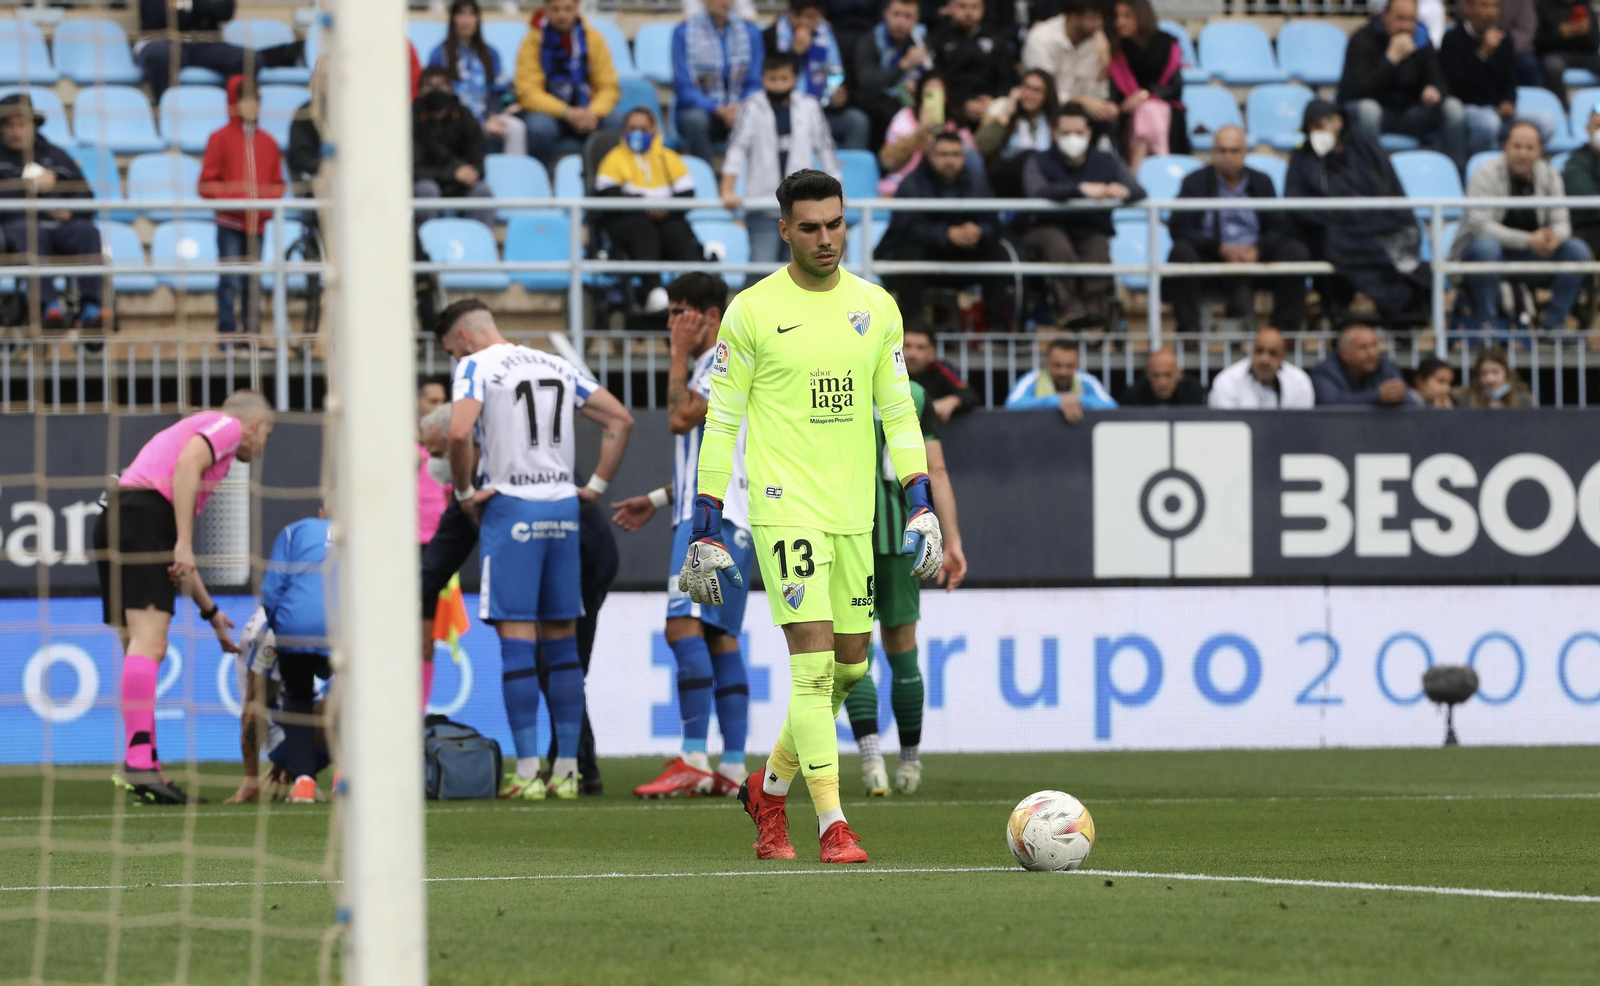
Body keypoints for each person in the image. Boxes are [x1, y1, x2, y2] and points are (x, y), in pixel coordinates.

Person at [680, 169, 944, 864]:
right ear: (785, 230)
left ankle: (768, 792)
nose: (825, 239)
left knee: (852, 671)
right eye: (811, 227)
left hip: (856, 511)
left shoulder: (876, 306)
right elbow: (722, 420)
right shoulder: (752, 311)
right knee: (813, 668)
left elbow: (898, 411)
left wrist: (922, 501)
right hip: (782, 507)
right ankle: (832, 825)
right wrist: (706, 518)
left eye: (835, 225)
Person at [437, 299, 635, 799]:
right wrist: (594, 485)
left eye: (448, 350)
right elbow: (620, 419)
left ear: (460, 338)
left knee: (518, 640)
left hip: (513, 508)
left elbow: (459, 430)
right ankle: (566, 770)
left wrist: (464, 493)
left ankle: (527, 773)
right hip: (563, 509)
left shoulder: (475, 367)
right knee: (563, 642)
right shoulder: (553, 362)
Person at [608, 274, 755, 799]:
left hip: (709, 520)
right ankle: (734, 765)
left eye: (679, 314)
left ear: (709, 317)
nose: (672, 324)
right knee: (720, 636)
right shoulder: (727, 363)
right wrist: (657, 498)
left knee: (681, 629)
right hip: (734, 517)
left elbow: (679, 417)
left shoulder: (721, 357)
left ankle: (694, 756)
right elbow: (713, 454)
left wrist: (674, 353)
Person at [96, 390, 275, 804]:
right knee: (150, 644)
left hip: (115, 517)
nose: (264, 445)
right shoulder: (225, 426)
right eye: (267, 434)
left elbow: (181, 563)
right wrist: (183, 541)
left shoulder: (189, 445)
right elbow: (188, 464)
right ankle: (140, 766)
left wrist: (211, 613)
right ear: (256, 426)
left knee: (137, 649)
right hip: (143, 516)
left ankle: (145, 765)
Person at [842, 375, 966, 796]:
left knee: (853, 647)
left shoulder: (834, 382)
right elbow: (938, 470)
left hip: (848, 533)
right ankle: (909, 763)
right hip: (902, 535)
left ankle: (871, 759)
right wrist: (952, 540)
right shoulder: (913, 394)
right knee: (902, 647)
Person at [1287, 100, 1428, 321]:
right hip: (1332, 230)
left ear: (1338, 122)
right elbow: (1296, 205)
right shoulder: (1302, 158)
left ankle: (1402, 316)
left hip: (1376, 225)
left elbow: (1393, 193)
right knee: (1330, 242)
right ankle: (1341, 313)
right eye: (1311, 128)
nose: (1317, 133)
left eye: (1321, 125)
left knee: (1403, 243)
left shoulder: (1368, 149)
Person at [1165, 125, 1309, 334]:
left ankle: (1283, 332)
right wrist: (1219, 248)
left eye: (1234, 151)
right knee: (1181, 252)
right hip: (1211, 258)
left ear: (1244, 153)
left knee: (1295, 252)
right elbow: (1179, 228)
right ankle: (1189, 330)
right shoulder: (1194, 182)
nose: (1227, 156)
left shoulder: (1261, 181)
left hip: (1256, 258)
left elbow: (1279, 227)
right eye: (1222, 150)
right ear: (1213, 152)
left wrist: (1258, 249)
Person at [1455, 121, 1590, 331]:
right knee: (1486, 247)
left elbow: (1563, 223)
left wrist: (1552, 237)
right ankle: (1487, 327)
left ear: (1540, 151)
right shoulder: (1485, 173)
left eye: (1529, 148)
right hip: (1489, 257)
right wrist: (1528, 240)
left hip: (1534, 255)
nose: (1523, 154)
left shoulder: (1550, 175)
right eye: (1517, 146)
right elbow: (1480, 227)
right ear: (1504, 147)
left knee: (1577, 250)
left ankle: (1554, 326)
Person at [1021, 104, 1146, 327]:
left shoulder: (1107, 160)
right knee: (1058, 245)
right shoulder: (1038, 160)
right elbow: (1036, 190)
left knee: (1098, 246)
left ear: (1089, 133)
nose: (1073, 139)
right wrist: (1080, 189)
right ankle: (1067, 307)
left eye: (1078, 133)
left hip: (1090, 228)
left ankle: (1096, 307)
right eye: (1066, 133)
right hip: (1046, 228)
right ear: (1054, 133)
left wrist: (1121, 191)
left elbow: (1138, 190)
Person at [879, 132, 1012, 331]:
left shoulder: (977, 182)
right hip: (925, 259)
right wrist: (947, 234)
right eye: (943, 154)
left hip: (964, 259)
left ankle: (996, 331)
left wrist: (979, 231)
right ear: (931, 156)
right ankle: (913, 330)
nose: (949, 160)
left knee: (998, 254)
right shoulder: (912, 183)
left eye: (955, 154)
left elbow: (994, 223)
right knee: (909, 255)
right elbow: (906, 228)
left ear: (964, 158)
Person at [721, 52, 842, 265]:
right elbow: (736, 149)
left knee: (802, 268)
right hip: (761, 205)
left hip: (805, 207)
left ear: (795, 79)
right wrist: (727, 190)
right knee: (762, 268)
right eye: (772, 79)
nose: (778, 85)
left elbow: (826, 151)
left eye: (784, 79)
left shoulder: (809, 106)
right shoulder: (751, 107)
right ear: (763, 79)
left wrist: (837, 194)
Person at [0, 94, 104, 329]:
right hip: (16, 228)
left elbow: (87, 196)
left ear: (33, 126)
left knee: (87, 231)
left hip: (62, 226)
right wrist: (28, 187)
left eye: (22, 124)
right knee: (29, 232)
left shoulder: (56, 155)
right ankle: (48, 307)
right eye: (9, 125)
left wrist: (70, 212)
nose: (16, 131)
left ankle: (91, 307)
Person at [257, 510, 335, 804]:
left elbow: (272, 590)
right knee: (353, 698)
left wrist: (282, 628)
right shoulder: (364, 534)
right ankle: (347, 778)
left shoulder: (293, 530)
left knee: (297, 694)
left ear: (322, 511)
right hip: (347, 625)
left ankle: (303, 783)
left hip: (295, 623)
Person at [199, 76, 285, 340]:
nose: (252, 106)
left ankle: (252, 335)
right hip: (229, 224)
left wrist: (262, 206)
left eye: (256, 100)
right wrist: (237, 199)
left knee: (253, 282)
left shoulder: (269, 143)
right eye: (245, 100)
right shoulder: (219, 139)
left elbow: (278, 184)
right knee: (230, 281)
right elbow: (206, 183)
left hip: (256, 225)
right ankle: (227, 335)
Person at [595, 107, 704, 312]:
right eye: (632, 128)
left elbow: (687, 193)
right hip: (629, 223)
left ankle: (695, 290)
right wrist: (644, 204)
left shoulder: (668, 157)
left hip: (665, 219)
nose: (638, 133)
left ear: (654, 130)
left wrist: (666, 210)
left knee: (676, 230)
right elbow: (606, 193)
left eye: (643, 128)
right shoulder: (613, 158)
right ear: (623, 131)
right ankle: (652, 291)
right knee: (641, 227)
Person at [1337, 0, 1467, 169]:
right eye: (1400, 19)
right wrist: (1390, 60)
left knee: (1453, 108)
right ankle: (1369, 178)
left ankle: (1456, 176)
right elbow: (1352, 92)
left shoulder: (1421, 40)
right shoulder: (1363, 39)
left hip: (1410, 114)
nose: (1406, 26)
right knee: (1369, 110)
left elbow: (1440, 81)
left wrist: (1434, 91)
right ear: (1385, 16)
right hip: (1376, 116)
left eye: (1411, 20)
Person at [224, 607, 333, 804]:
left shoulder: (287, 611)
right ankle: (342, 784)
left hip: (295, 733)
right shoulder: (274, 633)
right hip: (287, 741)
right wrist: (251, 780)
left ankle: (305, 778)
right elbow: (254, 706)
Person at [514, 0, 621, 167]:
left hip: (588, 111)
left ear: (577, 9)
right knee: (539, 128)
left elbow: (608, 86)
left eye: (567, 9)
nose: (562, 15)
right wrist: (567, 112)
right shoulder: (532, 41)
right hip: (550, 114)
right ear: (546, 11)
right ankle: (543, 182)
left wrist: (594, 112)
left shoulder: (593, 39)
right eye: (555, 10)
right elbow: (528, 92)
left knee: (617, 122)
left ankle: (605, 181)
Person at [1442, 0, 1548, 155]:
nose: (1491, 12)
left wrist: (1509, 102)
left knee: (1545, 124)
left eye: (1495, 6)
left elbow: (1510, 80)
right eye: (1484, 5)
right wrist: (1482, 53)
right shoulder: (1452, 39)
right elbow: (1457, 89)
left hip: (1499, 112)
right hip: (1470, 110)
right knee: (1489, 124)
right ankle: (1472, 165)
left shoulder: (1504, 38)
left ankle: (1513, 160)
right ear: (1467, 7)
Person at [764, 0, 871, 150]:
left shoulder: (838, 42)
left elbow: (855, 87)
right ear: (788, 13)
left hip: (826, 114)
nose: (802, 22)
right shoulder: (770, 38)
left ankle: (850, 171)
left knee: (856, 121)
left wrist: (845, 98)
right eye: (797, 16)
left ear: (820, 16)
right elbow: (771, 81)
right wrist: (794, 54)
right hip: (785, 113)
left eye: (809, 16)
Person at [430, 0, 528, 158]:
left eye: (471, 14)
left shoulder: (490, 53)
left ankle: (515, 178)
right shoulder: (439, 54)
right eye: (460, 14)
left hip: (487, 116)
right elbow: (436, 95)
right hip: (455, 119)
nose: (466, 20)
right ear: (452, 19)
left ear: (477, 19)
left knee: (516, 128)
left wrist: (493, 115)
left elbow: (498, 90)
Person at [673, 0, 766, 162]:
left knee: (762, 114)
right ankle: (707, 178)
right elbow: (684, 88)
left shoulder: (750, 32)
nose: (726, 1)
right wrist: (715, 108)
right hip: (703, 112)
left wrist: (740, 107)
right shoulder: (684, 32)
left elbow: (755, 81)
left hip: (739, 109)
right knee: (695, 120)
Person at [1105, 0, 1188, 169]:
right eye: (1117, 17)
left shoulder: (1166, 43)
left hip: (1168, 113)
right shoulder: (1115, 50)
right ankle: (1162, 165)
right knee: (1147, 111)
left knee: (1149, 110)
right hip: (1128, 119)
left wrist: (1144, 96)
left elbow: (1175, 88)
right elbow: (1113, 97)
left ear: (1141, 16)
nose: (1120, 22)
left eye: (1127, 16)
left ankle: (1137, 171)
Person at [412, 67, 495, 226]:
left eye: (441, 85)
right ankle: (424, 244)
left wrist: (472, 173)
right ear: (420, 91)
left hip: (460, 185)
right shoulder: (411, 119)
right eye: (429, 86)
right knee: (426, 190)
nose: (435, 91)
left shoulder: (465, 116)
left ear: (450, 89)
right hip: (427, 182)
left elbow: (478, 162)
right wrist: (453, 172)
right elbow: (413, 169)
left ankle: (479, 244)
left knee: (482, 191)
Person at [877, 73, 978, 196]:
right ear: (920, 94)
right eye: (929, 93)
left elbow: (971, 160)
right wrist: (920, 132)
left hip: (949, 189)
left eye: (939, 93)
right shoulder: (904, 118)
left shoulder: (957, 124)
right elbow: (888, 161)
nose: (935, 98)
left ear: (946, 96)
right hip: (904, 185)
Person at [1022, 0, 1118, 127]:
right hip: (1045, 114)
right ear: (1073, 17)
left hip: (1082, 118)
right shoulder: (1041, 38)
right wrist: (1080, 100)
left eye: (1100, 18)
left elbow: (1096, 99)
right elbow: (1042, 93)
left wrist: (1104, 66)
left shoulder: (1098, 43)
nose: (1099, 25)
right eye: (1092, 18)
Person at [927, 0, 1016, 134]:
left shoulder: (995, 38)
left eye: (975, 7)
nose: (969, 13)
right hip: (952, 107)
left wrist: (993, 101)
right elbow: (935, 79)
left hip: (989, 108)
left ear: (983, 9)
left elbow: (1007, 78)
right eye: (962, 6)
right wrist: (962, 104)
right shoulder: (938, 39)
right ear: (950, 7)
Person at [851, 0, 931, 147]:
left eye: (908, 16)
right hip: (876, 104)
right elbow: (867, 82)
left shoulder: (923, 41)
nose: (901, 22)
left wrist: (918, 85)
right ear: (885, 15)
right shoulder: (870, 41)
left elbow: (935, 75)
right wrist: (903, 66)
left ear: (916, 20)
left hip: (913, 100)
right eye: (896, 14)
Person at [137, 0, 249, 100]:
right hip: (162, 41)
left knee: (247, 59)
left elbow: (225, 10)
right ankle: (169, 113)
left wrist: (187, 4)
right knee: (159, 56)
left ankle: (221, 110)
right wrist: (205, 6)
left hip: (204, 43)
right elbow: (159, 14)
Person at [975, 69, 1058, 196]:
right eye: (1026, 87)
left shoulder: (1053, 121)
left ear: (1046, 95)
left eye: (1037, 91)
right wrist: (1008, 111)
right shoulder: (1003, 106)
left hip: (1044, 175)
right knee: (1029, 156)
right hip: (1006, 177)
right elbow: (983, 146)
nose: (1029, 94)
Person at [1004, 338, 1118, 422]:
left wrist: (1076, 400)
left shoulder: (1087, 380)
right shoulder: (1032, 378)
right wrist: (1057, 401)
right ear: (1047, 362)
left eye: (1069, 366)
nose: (1063, 372)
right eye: (1057, 365)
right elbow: (1012, 405)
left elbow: (1111, 406)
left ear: (1077, 364)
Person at [1206, 327, 1316, 409]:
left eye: (1272, 353)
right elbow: (1227, 427)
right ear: (1251, 352)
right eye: (1259, 351)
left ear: (1282, 357)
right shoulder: (1227, 381)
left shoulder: (1300, 383)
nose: (1264, 359)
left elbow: (1301, 426)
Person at [1310, 324, 1418, 406]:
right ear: (1344, 354)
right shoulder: (1324, 372)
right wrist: (1377, 396)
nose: (1372, 353)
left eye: (1374, 345)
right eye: (1363, 347)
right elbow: (1330, 404)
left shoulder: (1385, 366)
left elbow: (1407, 401)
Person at [902, 323, 979, 420]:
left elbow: (969, 394)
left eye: (920, 348)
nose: (912, 354)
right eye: (907, 346)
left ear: (932, 353)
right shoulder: (887, 368)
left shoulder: (939, 369)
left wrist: (953, 400)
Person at [1535, 0, 1600, 95]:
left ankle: (1595, 102)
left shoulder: (1585, 6)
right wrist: (1560, 33)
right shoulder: (1543, 6)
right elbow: (1538, 43)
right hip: (1556, 53)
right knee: (1553, 66)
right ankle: (1561, 105)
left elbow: (1595, 43)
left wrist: (1587, 33)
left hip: (1585, 54)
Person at [1562, 100, 1600, 257]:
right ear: (1587, 129)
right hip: (1590, 230)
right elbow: (1585, 199)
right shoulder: (1576, 161)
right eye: (1598, 126)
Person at [1124, 346, 1204, 405]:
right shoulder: (1134, 396)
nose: (1162, 382)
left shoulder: (1194, 393)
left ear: (1179, 374)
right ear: (1148, 375)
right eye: (1156, 375)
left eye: (1168, 375)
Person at [1459, 344, 1533, 405]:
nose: (1490, 379)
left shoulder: (1524, 399)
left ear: (1506, 371)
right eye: (1484, 373)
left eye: (1495, 372)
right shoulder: (1467, 400)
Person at [1500, 0, 1546, 85]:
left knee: (1529, 64)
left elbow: (1526, 32)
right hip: (1481, 47)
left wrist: (1503, 47)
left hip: (1515, 51)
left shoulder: (1524, 2)